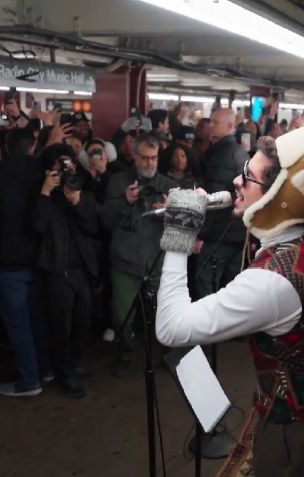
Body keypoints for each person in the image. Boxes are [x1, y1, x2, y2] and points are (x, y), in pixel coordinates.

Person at [155, 127, 304, 477]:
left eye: (247, 177)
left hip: (297, 429)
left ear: (278, 197)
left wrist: (179, 235)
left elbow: (171, 328)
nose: (236, 180)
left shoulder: (272, 282)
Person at [0, 127, 51, 397]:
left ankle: (28, 380)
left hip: (7, 263)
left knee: (18, 325)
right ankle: (46, 369)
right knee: (37, 321)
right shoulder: (43, 174)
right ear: (32, 146)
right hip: (39, 260)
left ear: (7, 147)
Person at [101, 134, 177, 375]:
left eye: (153, 158)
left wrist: (170, 212)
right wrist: (125, 200)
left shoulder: (168, 185)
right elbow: (105, 220)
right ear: (133, 156)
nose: (149, 163)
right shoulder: (117, 182)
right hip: (126, 261)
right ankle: (124, 353)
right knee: (122, 315)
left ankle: (171, 354)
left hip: (158, 259)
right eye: (144, 157)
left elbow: (187, 226)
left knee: (165, 311)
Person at [33, 145, 99, 398]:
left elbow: (94, 226)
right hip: (56, 269)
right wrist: (45, 192)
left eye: (70, 167)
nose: (67, 173)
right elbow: (37, 227)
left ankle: (75, 363)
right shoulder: (44, 194)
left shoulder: (81, 190)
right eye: (61, 168)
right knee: (61, 326)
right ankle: (63, 374)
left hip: (81, 269)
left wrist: (78, 202)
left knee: (83, 321)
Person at [192, 108, 249, 299]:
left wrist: (201, 235)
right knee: (231, 290)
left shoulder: (220, 156)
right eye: (211, 121)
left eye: (216, 122)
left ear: (230, 127)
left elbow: (212, 200)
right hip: (238, 234)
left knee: (206, 289)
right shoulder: (241, 154)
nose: (210, 125)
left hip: (218, 236)